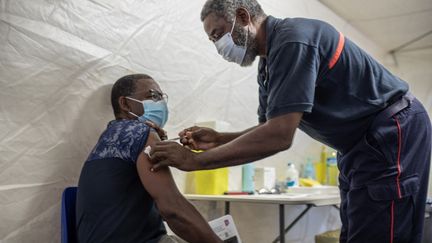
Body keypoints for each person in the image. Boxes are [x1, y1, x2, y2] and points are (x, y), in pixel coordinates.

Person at [149, 1, 431, 243]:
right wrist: (219, 138)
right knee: (359, 227)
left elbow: (279, 136)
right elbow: (267, 128)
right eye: (212, 41)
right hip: (357, 145)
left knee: (382, 231)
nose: (219, 47)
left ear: (244, 17)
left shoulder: (293, 40)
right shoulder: (268, 65)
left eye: (218, 35)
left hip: (391, 130)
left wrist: (194, 161)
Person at [75, 74, 222, 243]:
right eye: (153, 96)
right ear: (125, 103)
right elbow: (173, 209)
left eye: (162, 97)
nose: (161, 103)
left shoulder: (108, 138)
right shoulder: (140, 132)